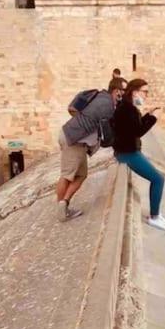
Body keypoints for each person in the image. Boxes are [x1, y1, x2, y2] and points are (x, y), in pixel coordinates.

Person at [57, 78, 125, 222]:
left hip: (76, 139)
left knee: (81, 175)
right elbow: (107, 137)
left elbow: (74, 109)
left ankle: (64, 203)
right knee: (67, 175)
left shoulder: (100, 96)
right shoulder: (107, 106)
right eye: (123, 91)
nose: (124, 95)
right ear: (116, 91)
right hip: (73, 140)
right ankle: (61, 210)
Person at [112, 78, 165, 232]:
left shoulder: (128, 107)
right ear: (135, 92)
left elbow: (134, 127)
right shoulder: (127, 109)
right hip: (127, 153)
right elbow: (138, 131)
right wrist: (153, 118)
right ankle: (154, 217)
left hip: (128, 151)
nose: (146, 95)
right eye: (145, 92)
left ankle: (156, 214)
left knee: (157, 178)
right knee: (158, 179)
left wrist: (148, 115)